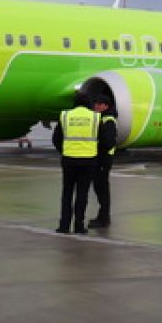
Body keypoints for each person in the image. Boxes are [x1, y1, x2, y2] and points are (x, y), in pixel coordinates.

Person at [51, 93, 116, 234]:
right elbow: (107, 141)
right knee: (82, 194)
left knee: (67, 193)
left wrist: (65, 150)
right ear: (89, 103)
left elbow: (56, 139)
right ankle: (79, 226)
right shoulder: (95, 117)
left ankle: (64, 225)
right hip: (88, 161)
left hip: (69, 159)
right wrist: (96, 152)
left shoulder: (65, 115)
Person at [87, 99, 119, 228]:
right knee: (100, 188)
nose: (96, 106)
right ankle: (103, 216)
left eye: (99, 104)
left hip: (103, 159)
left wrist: (99, 154)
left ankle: (104, 218)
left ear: (105, 106)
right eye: (96, 103)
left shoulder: (108, 120)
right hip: (102, 158)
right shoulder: (103, 118)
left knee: (102, 189)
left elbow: (108, 141)